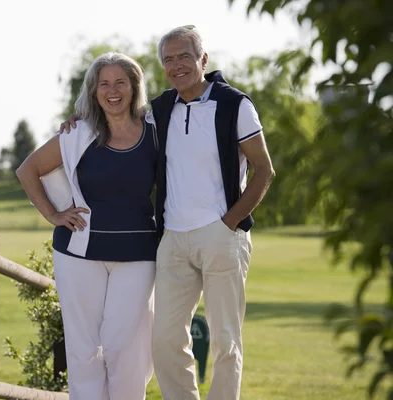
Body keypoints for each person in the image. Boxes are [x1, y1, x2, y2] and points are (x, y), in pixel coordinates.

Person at [60, 26, 275, 400]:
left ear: (203, 59)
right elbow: (115, 115)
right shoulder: (160, 109)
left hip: (222, 236)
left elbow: (264, 170)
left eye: (184, 56)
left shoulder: (235, 105)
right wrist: (75, 121)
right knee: (164, 342)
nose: (176, 65)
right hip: (172, 239)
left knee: (226, 341)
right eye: (168, 59)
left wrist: (229, 223)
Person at [15, 52, 157, 400]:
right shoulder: (78, 132)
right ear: (93, 91)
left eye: (120, 82)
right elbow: (27, 170)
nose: (112, 90)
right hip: (78, 252)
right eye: (103, 84)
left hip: (138, 254)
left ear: (134, 86)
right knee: (83, 351)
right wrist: (53, 215)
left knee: (125, 347)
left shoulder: (157, 131)